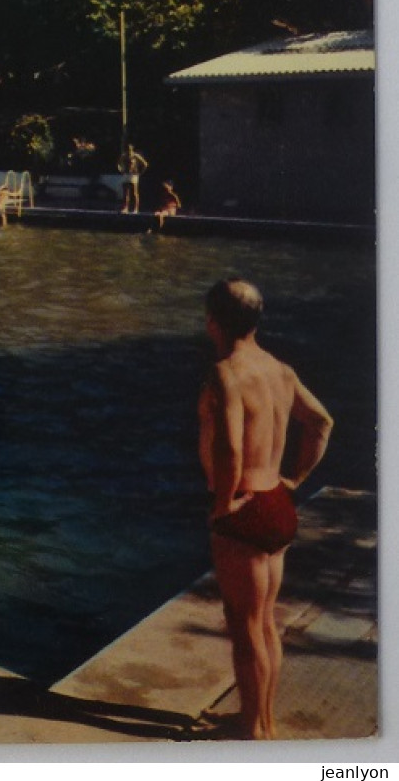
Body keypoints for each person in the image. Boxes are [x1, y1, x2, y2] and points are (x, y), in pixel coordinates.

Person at [196, 278, 334, 741]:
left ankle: (255, 735)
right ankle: (263, 719)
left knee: (244, 628)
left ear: (213, 322)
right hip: (276, 500)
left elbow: (231, 449)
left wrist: (223, 506)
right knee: (266, 624)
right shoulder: (280, 369)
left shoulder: (226, 373)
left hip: (245, 510)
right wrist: (294, 480)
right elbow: (321, 423)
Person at [117, 144, 149, 214]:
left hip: (134, 175)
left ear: (132, 149)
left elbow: (145, 164)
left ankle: (136, 209)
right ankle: (125, 208)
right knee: (126, 193)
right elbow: (118, 163)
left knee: (135, 193)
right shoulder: (124, 156)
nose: (129, 151)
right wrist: (120, 170)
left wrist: (140, 172)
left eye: (130, 149)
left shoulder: (136, 156)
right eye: (128, 149)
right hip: (126, 174)